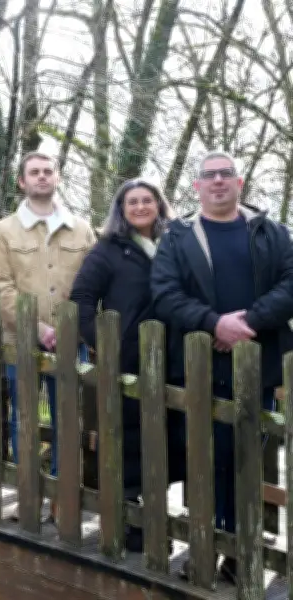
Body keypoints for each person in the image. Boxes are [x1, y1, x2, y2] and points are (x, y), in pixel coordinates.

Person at [151, 150, 293, 583]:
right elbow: (165, 293)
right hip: (198, 364)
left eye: (225, 174)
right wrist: (214, 323)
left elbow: (291, 282)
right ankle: (204, 550)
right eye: (209, 175)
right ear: (196, 186)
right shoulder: (177, 237)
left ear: (239, 182)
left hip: (258, 362)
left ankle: (240, 555)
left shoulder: (271, 232)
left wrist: (248, 322)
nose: (217, 181)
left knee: (248, 460)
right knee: (205, 459)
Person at [0, 151, 95, 521]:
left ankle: (63, 500)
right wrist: (37, 328)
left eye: (48, 171)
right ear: (22, 181)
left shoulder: (81, 230)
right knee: (24, 420)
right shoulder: (3, 231)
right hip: (20, 342)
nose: (42, 177)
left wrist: (70, 329)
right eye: (34, 172)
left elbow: (90, 284)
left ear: (58, 178)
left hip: (71, 342)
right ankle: (28, 495)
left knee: (68, 419)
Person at [70, 178, 177, 551]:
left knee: (167, 441)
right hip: (129, 358)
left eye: (148, 200)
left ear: (159, 205)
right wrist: (103, 343)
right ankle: (132, 526)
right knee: (131, 439)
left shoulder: (175, 244)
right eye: (133, 201)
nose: (141, 207)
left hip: (176, 357)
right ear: (121, 209)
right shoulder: (108, 251)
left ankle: (161, 522)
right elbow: (82, 297)